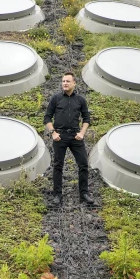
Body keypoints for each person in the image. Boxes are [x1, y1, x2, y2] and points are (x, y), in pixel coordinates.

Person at [44, 72, 95, 206]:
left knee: (83, 164)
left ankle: (84, 194)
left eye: (67, 81)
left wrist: (82, 133)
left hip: (75, 136)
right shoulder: (55, 98)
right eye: (63, 81)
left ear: (74, 83)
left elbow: (86, 119)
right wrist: (53, 133)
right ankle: (57, 196)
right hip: (59, 136)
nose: (65, 83)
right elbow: (47, 118)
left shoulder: (80, 100)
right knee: (58, 166)